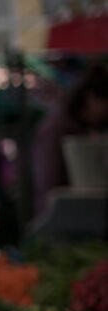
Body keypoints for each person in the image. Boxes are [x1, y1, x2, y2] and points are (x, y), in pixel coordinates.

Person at [33, 61, 108, 214]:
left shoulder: (81, 127)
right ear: (91, 97)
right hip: (62, 217)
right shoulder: (57, 129)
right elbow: (51, 185)